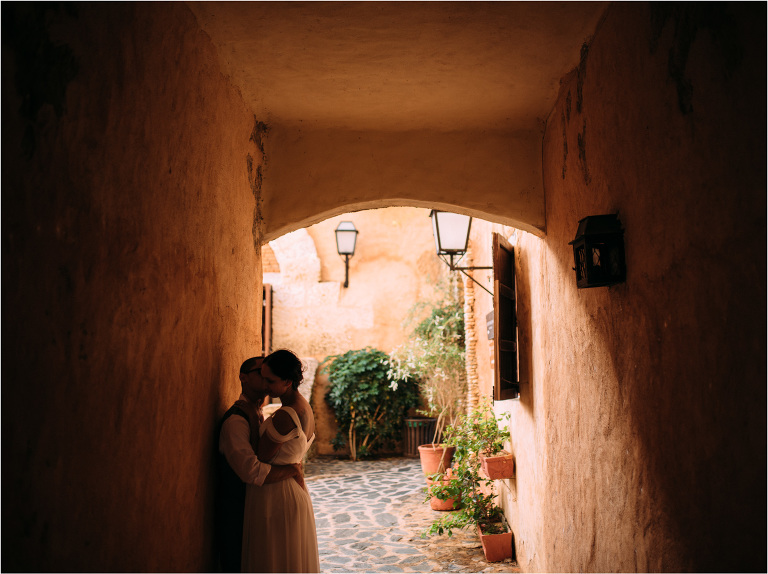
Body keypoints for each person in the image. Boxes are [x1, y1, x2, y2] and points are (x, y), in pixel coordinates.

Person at [216, 356, 304, 573]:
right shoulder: (236, 421)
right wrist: (292, 469)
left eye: (269, 376)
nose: (267, 380)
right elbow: (251, 471)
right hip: (239, 514)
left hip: (259, 511)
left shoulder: (257, 415)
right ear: (243, 378)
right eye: (261, 374)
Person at [241, 349, 320, 573]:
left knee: (273, 561)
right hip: (290, 490)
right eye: (263, 377)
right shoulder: (304, 406)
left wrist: (251, 412)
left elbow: (261, 456)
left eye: (270, 380)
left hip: (276, 495)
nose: (265, 385)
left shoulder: (286, 415)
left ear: (287, 381)